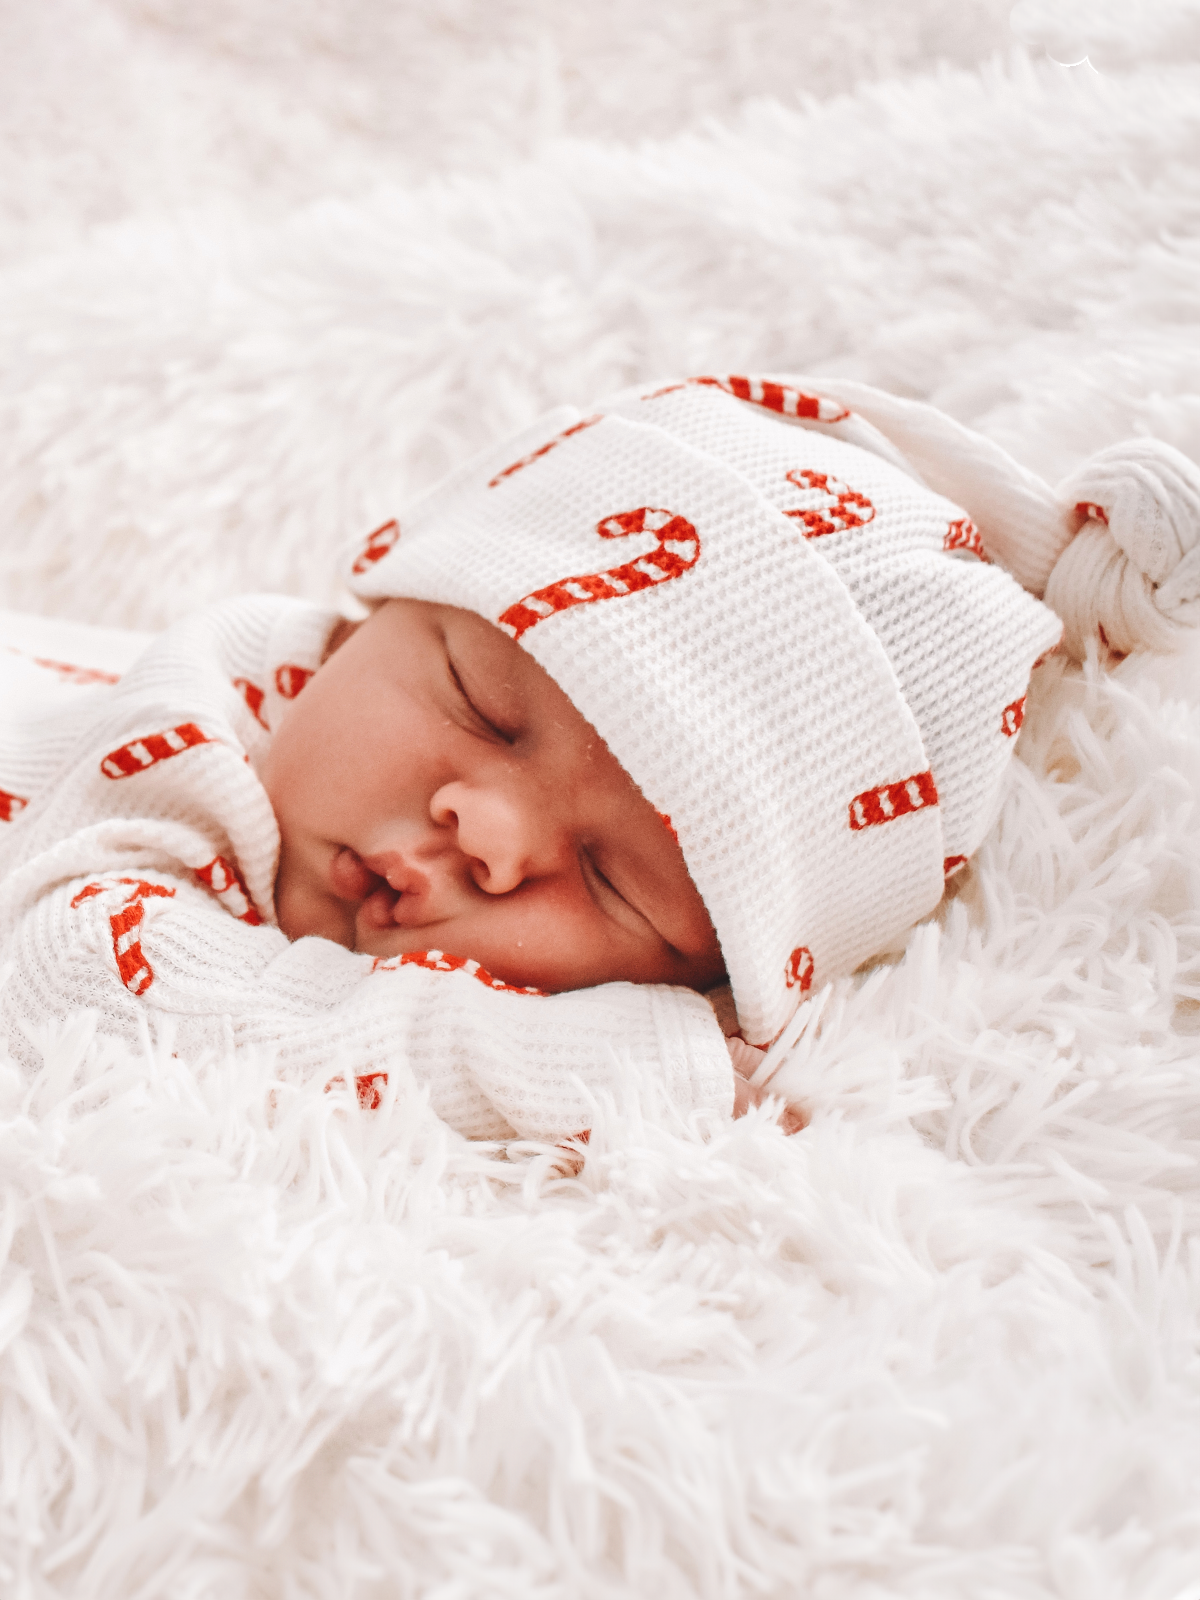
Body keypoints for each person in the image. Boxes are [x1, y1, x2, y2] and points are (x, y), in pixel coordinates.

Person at [1, 374, 1197, 1141]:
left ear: (711, 980)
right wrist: (590, 1071)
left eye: (615, 879)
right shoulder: (202, 721)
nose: (492, 834)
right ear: (374, 610)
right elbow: (74, 986)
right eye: (481, 705)